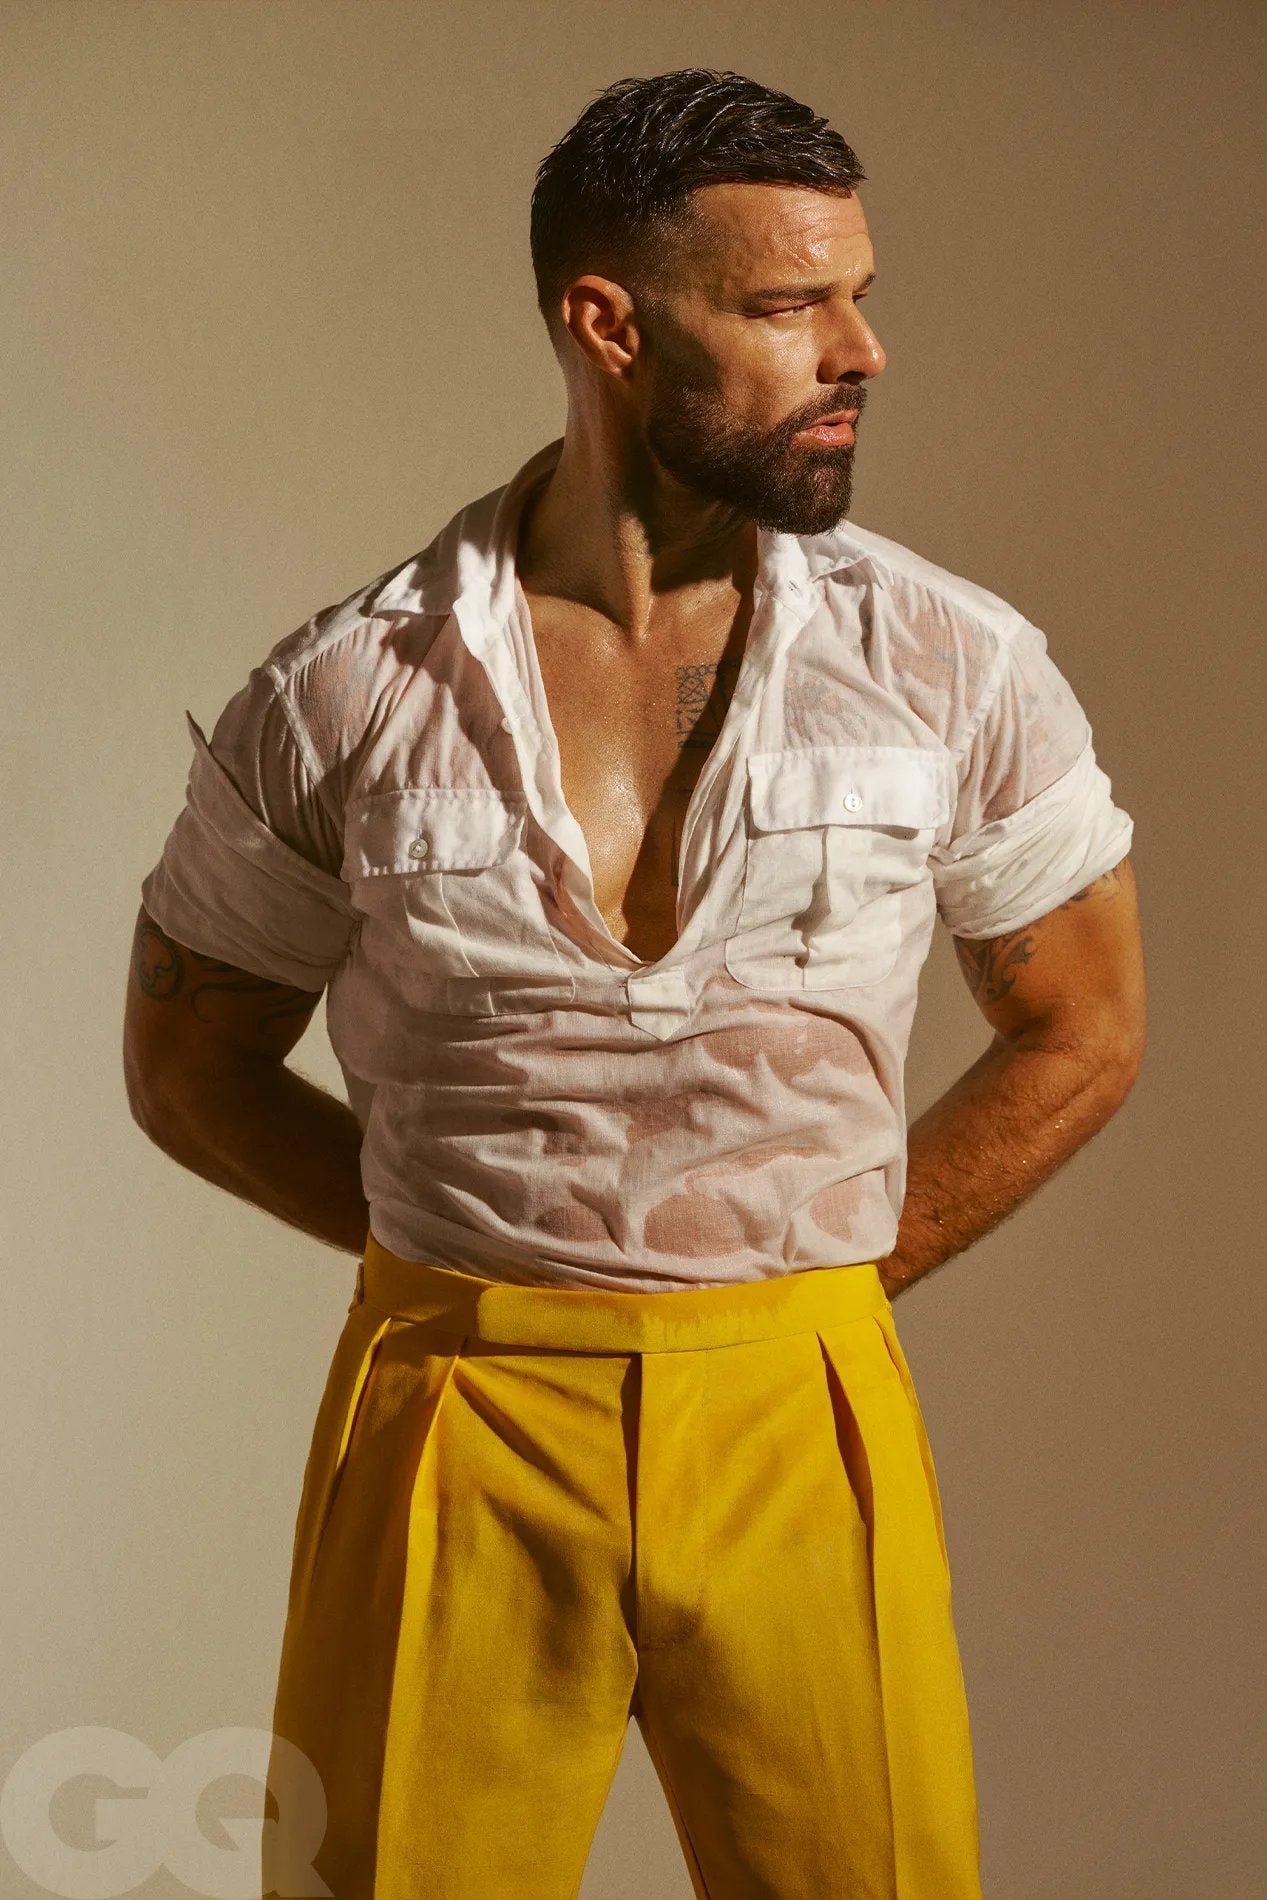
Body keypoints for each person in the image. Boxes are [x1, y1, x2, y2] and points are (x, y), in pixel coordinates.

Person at [123, 65, 1146, 1900]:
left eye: (858, 295)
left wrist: (820, 1276)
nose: (861, 351)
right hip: (460, 1408)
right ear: (608, 325)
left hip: (800, 1403)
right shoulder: (347, 695)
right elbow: (187, 1063)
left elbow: (1085, 1017)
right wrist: (469, 1255)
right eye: (790, 306)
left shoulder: (954, 665)